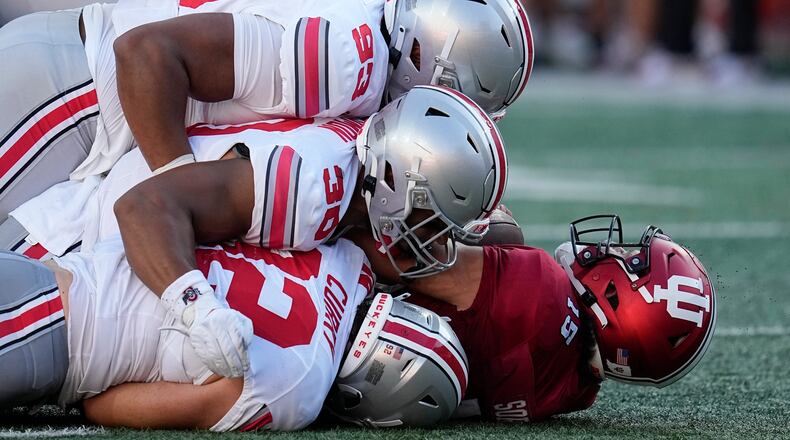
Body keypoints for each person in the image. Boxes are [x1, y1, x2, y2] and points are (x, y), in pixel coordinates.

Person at [3, 86, 507, 379]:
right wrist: (195, 304)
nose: (436, 241)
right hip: (69, 250)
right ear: (398, 178)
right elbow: (146, 207)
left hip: (92, 245)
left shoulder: (355, 169)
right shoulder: (314, 189)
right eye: (430, 219)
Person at [0, 0, 532, 223]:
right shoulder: (351, 58)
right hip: (73, 97)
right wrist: (176, 193)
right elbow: (147, 55)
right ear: (428, 52)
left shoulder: (368, 38)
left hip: (82, 95)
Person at [0, 240, 467, 431]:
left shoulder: (346, 258)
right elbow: (106, 406)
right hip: (48, 337)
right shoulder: (296, 390)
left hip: (49, 267)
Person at [355, 214, 717, 422]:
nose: (610, 248)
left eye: (628, 257)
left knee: (498, 230)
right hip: (365, 392)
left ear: (620, 302)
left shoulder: (540, 287)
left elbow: (395, 259)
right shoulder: (576, 392)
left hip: (345, 318)